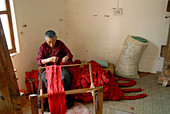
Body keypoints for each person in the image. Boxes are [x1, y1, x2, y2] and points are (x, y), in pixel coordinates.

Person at [36, 30, 74, 111]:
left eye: (53, 41)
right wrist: (49, 59)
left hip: (60, 67)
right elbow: (39, 61)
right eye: (49, 42)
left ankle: (66, 101)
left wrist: (66, 57)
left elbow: (69, 54)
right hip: (47, 68)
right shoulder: (43, 47)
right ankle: (43, 103)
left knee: (64, 77)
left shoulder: (60, 44)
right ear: (46, 41)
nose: (52, 44)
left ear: (56, 38)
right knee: (43, 79)